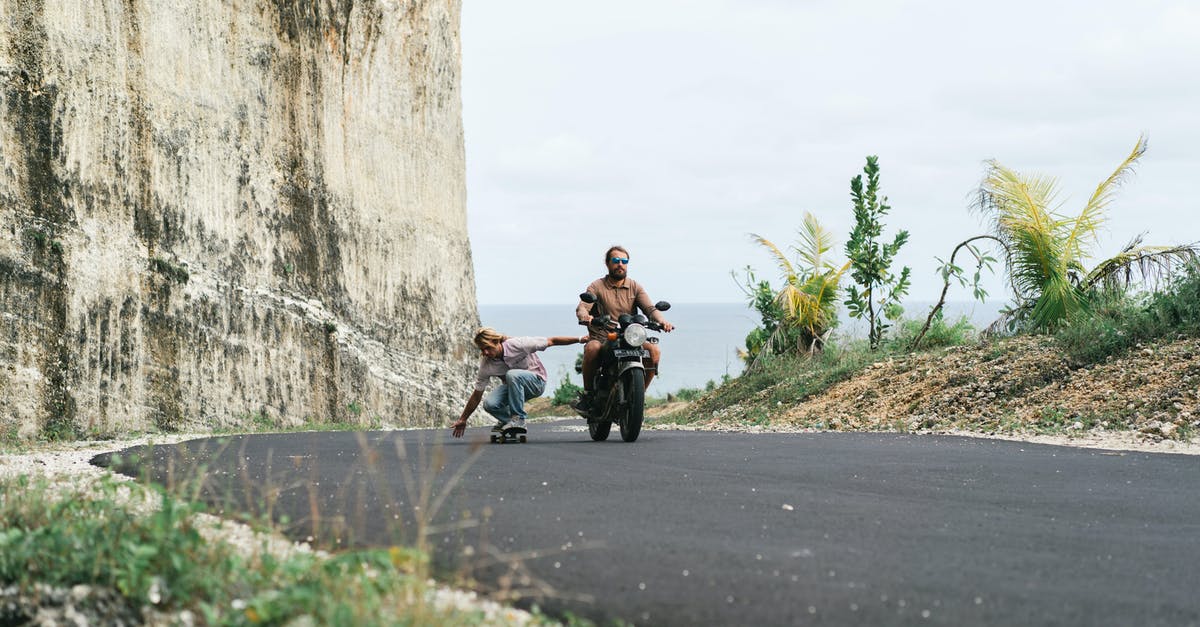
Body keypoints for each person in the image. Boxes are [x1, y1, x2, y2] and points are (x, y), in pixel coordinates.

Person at [574, 245, 674, 411]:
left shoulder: (635, 286)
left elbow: (650, 309)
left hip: (630, 336)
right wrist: (585, 316)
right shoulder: (597, 286)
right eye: (616, 260)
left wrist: (662, 321)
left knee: (654, 351)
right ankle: (589, 395)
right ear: (608, 264)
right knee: (592, 348)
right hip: (603, 337)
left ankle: (638, 397)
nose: (620, 264)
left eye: (624, 261)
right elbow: (583, 306)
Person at [451, 327, 588, 438]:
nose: (485, 353)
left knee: (512, 374)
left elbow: (552, 341)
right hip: (514, 388)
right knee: (490, 404)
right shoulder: (486, 365)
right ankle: (508, 421)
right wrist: (463, 419)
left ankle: (518, 420)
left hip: (536, 382)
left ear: (496, 342)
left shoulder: (518, 344)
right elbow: (477, 395)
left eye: (488, 348)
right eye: (482, 350)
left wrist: (580, 339)